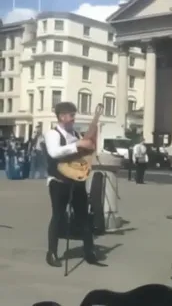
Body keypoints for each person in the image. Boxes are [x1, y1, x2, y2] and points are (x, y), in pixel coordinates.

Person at [43, 101, 104, 267]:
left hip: (76, 181)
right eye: (71, 116)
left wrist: (88, 145)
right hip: (58, 181)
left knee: (84, 217)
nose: (73, 119)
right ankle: (52, 253)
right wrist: (77, 144)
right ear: (62, 117)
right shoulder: (52, 134)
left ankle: (89, 252)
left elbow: (83, 152)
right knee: (58, 216)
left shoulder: (76, 134)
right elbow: (54, 152)